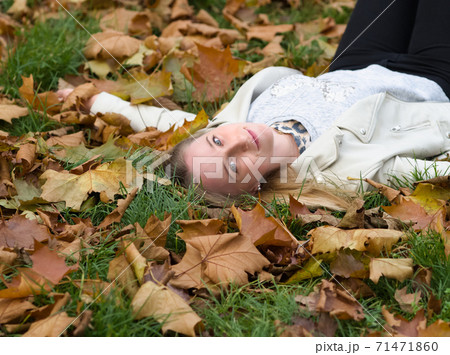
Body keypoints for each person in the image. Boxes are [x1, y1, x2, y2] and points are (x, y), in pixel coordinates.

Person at [59, 0, 450, 207]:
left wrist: (97, 101)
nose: (236, 142)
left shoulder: (237, 120)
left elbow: (168, 120)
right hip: (433, 76)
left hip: (355, 58)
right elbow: (423, 172)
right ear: (254, 188)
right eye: (233, 165)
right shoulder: (337, 172)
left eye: (216, 142)